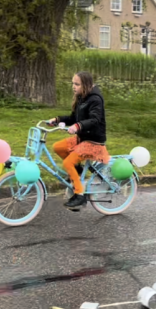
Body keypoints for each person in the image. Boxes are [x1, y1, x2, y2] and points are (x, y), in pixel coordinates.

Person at [50, 71, 109, 210]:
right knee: (58, 147)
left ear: (86, 85)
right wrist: (57, 120)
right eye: (73, 83)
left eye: (77, 84)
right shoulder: (81, 97)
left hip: (93, 141)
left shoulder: (95, 99)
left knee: (68, 162)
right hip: (82, 138)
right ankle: (77, 170)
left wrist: (78, 126)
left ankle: (79, 194)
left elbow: (95, 120)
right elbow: (73, 118)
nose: (73, 87)